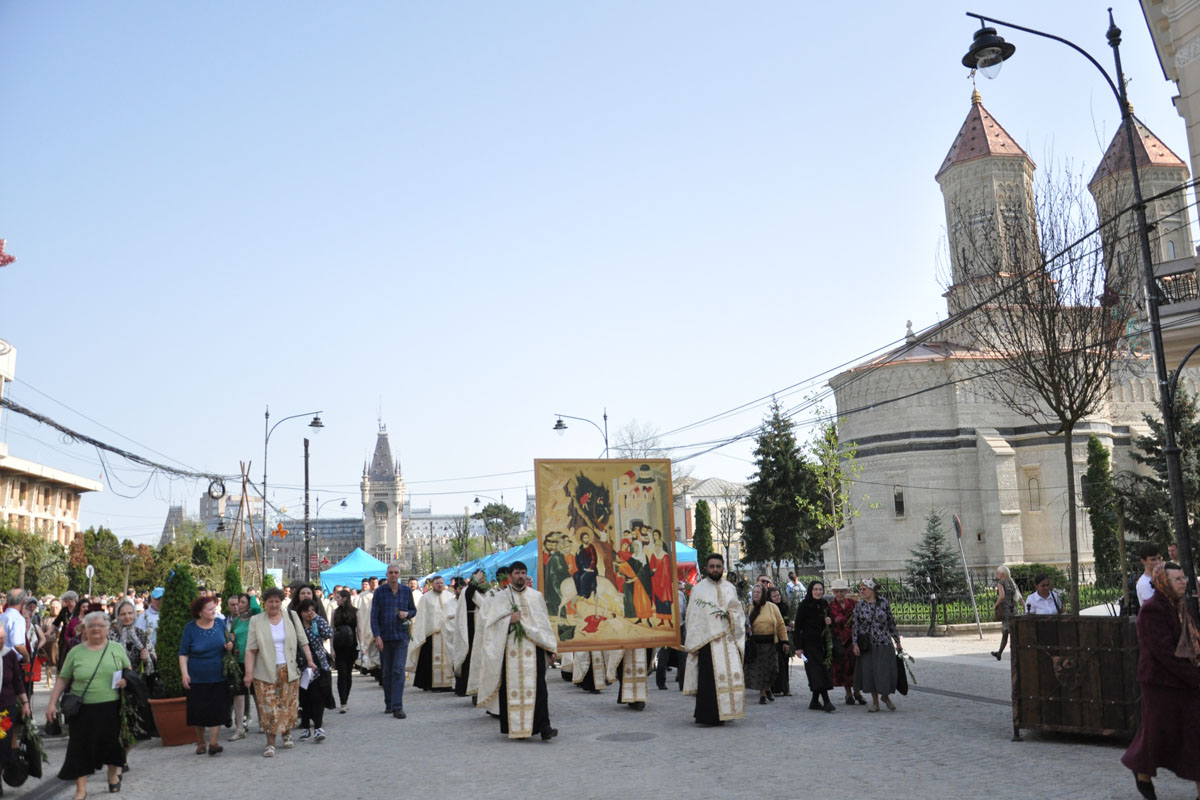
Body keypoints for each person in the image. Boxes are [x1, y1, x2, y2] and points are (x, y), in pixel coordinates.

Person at [1122, 562, 1200, 800]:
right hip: (1159, 682)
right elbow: (1164, 653)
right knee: (1157, 731)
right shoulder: (1152, 610)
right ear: (1164, 582)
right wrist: (1195, 677)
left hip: (1182, 679)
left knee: (1188, 731)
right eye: (1177, 579)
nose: (1183, 582)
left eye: (1183, 578)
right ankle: (1141, 769)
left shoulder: (1179, 605)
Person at [46, 610, 130, 800]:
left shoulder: (116, 648)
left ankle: (113, 776)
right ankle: (81, 790)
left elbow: (128, 671)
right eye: (91, 626)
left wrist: (125, 681)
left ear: (107, 628)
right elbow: (62, 679)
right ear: (85, 629)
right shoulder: (75, 652)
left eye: (100, 625)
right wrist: (52, 703)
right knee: (80, 749)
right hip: (82, 709)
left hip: (111, 707)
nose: (96, 629)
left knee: (112, 744)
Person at [476, 561, 558, 740]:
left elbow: (544, 623)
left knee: (540, 689)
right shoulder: (501, 597)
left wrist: (551, 647)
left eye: (523, 573)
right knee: (510, 688)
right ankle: (516, 728)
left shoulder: (536, 596)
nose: (520, 576)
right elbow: (491, 626)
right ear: (510, 576)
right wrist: (509, 620)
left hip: (534, 648)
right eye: (517, 573)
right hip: (510, 650)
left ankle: (544, 727)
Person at [243, 587, 315, 757]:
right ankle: (270, 743)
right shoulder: (256, 620)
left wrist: (310, 660)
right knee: (268, 708)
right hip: (264, 671)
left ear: (281, 602)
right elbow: (250, 649)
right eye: (270, 602)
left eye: (277, 601)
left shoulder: (291, 616)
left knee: (287, 705)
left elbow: (303, 640)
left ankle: (286, 733)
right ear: (264, 603)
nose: (274, 605)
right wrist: (248, 673)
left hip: (288, 668)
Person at [683, 554, 746, 725]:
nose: (715, 569)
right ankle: (708, 716)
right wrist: (694, 642)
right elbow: (693, 617)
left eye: (718, 566)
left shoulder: (730, 588)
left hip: (728, 641)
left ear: (723, 567)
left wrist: (730, 615)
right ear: (707, 568)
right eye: (712, 566)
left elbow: (738, 612)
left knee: (731, 677)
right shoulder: (698, 589)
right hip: (707, 642)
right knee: (708, 681)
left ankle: (729, 711)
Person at [179, 595, 233, 755]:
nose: (213, 611)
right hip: (197, 677)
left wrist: (229, 645)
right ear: (200, 612)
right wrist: (184, 674)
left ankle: (214, 742)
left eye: (214, 608)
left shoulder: (220, 624)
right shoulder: (190, 628)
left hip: (218, 675)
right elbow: (183, 653)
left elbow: (227, 642)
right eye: (210, 609)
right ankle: (201, 741)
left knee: (217, 708)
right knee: (198, 711)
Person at [370, 563, 418, 719]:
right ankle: (389, 702)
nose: (393, 575)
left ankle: (398, 707)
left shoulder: (406, 591)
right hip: (384, 637)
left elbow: (413, 610)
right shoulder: (380, 592)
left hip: (401, 636)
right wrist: (377, 636)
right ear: (386, 574)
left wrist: (407, 614)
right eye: (390, 572)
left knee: (398, 670)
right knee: (387, 672)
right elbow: (374, 616)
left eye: (396, 572)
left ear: (399, 574)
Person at [851, 579, 902, 712]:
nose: (861, 592)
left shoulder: (883, 602)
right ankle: (875, 703)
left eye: (864, 589)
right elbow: (855, 625)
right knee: (871, 673)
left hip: (884, 642)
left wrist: (897, 641)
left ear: (872, 590)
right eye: (860, 589)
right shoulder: (859, 605)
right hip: (867, 644)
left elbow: (891, 622)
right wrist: (855, 644)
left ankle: (885, 696)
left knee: (884, 672)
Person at [407, 575, 456, 692]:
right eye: (437, 583)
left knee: (448, 658)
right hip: (431, 633)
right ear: (432, 584)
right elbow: (422, 616)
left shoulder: (449, 596)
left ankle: (447, 684)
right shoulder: (426, 598)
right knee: (429, 660)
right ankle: (431, 684)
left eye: (441, 583)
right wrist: (422, 632)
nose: (439, 585)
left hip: (447, 632)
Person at [794, 579, 836, 712]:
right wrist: (798, 647)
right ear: (810, 591)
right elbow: (797, 627)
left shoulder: (824, 604)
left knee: (821, 671)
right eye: (815, 589)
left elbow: (831, 623)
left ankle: (814, 701)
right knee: (817, 671)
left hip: (823, 644)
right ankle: (827, 701)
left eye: (820, 589)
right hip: (809, 645)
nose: (818, 592)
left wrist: (829, 621)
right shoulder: (804, 605)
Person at [295, 598, 332, 742]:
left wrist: (317, 618)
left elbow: (329, 633)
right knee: (305, 698)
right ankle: (305, 727)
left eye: (312, 610)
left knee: (318, 697)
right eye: (306, 610)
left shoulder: (317, 623)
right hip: (302, 666)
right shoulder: (297, 627)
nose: (309, 613)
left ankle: (318, 727)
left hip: (319, 664)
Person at [745, 583, 786, 705]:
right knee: (761, 671)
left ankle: (768, 687)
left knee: (773, 669)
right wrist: (746, 629)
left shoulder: (772, 607)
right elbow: (743, 623)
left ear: (763, 594)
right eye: (754, 592)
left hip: (771, 644)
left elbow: (781, 625)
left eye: (758, 592)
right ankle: (762, 694)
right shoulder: (749, 608)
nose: (756, 594)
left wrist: (785, 641)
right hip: (756, 645)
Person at [0, 626, 30, 788]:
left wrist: (25, 703)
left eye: (3, 638)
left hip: (5, 708)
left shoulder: (9, 655)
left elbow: (18, 681)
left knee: (3, 743)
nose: (1, 641)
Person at [451, 569, 486, 698]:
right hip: (471, 628)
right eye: (479, 578)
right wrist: (474, 582)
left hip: (484, 629)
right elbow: (469, 595)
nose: (482, 580)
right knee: (469, 657)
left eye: (483, 578)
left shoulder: (489, 592)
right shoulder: (467, 591)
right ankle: (467, 687)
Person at [828, 578, 863, 705]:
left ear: (845, 591)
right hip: (840, 641)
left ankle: (857, 692)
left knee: (857, 666)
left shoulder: (854, 603)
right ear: (833, 592)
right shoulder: (830, 607)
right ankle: (848, 693)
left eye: (842, 591)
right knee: (844, 667)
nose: (839, 594)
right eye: (837, 591)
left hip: (854, 640)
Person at [226, 593, 255, 738]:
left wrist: (252, 597)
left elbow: (258, 609)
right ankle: (239, 728)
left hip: (255, 661)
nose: (238, 606)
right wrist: (231, 641)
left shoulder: (255, 618)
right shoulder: (236, 621)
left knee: (257, 693)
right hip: (238, 661)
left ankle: (265, 724)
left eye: (242, 602)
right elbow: (232, 638)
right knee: (238, 694)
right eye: (237, 603)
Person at [330, 589, 358, 712]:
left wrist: (362, 646)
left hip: (352, 645)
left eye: (338, 597)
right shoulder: (335, 612)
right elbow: (331, 630)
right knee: (341, 673)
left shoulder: (356, 612)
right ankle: (343, 702)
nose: (336, 600)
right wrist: (331, 648)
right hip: (339, 646)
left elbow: (359, 629)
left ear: (344, 598)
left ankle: (346, 698)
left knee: (348, 673)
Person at [352, 577, 380, 681]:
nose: (374, 584)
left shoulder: (381, 593)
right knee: (368, 648)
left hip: (378, 624)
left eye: (376, 582)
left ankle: (379, 670)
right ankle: (371, 669)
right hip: (366, 624)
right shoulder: (361, 596)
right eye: (372, 582)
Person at [992, 565, 1021, 660]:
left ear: (1002, 574)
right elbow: (1019, 597)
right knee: (1008, 631)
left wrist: (995, 605)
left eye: (998, 573)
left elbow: (1002, 596)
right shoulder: (1012, 582)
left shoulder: (1001, 583)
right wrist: (1025, 607)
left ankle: (1014, 652)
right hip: (1014, 610)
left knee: (1008, 631)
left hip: (1006, 611)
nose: (997, 574)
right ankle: (999, 653)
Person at [768, 586, 792, 697]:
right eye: (774, 596)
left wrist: (790, 625)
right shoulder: (768, 609)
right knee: (776, 665)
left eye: (778, 595)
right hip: (773, 639)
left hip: (784, 639)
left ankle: (785, 688)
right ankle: (773, 688)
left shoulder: (784, 607)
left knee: (784, 664)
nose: (777, 597)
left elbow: (786, 620)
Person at [1, 590, 28, 667]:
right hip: (11, 661)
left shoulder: (2, 617)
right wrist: (27, 657)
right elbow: (18, 644)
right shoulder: (18, 619)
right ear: (23, 602)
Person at [134, 588, 163, 654]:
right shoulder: (143, 617)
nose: (160, 601)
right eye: (157, 599)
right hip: (151, 653)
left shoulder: (170, 614)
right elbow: (138, 636)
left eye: (162, 598)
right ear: (152, 599)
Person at [1136, 543, 1164, 609]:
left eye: (1159, 558)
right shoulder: (1144, 583)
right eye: (1153, 559)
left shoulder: (1164, 577)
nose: (1158, 562)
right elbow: (1154, 607)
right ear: (1143, 561)